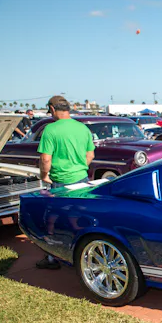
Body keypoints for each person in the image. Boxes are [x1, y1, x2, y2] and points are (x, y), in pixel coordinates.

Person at [36, 95, 96, 270]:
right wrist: (79, 169)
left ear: (52, 109)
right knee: (79, 216)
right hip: (82, 179)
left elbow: (45, 159)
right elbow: (90, 155)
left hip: (60, 181)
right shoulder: (82, 128)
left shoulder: (50, 130)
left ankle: (52, 257)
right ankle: (86, 254)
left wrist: (44, 175)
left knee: (53, 219)